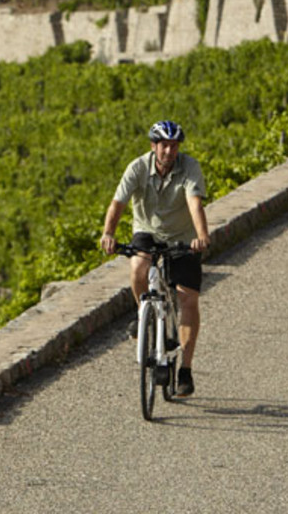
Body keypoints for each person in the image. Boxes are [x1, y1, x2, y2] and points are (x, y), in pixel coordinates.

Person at [100, 120, 211, 397]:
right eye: (164, 146)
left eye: (174, 146)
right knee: (138, 265)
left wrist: (201, 236)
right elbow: (118, 203)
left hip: (182, 237)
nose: (169, 151)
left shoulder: (189, 167)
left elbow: (194, 202)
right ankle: (142, 313)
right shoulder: (137, 167)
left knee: (188, 298)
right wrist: (108, 233)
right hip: (147, 231)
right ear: (154, 146)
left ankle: (185, 369)